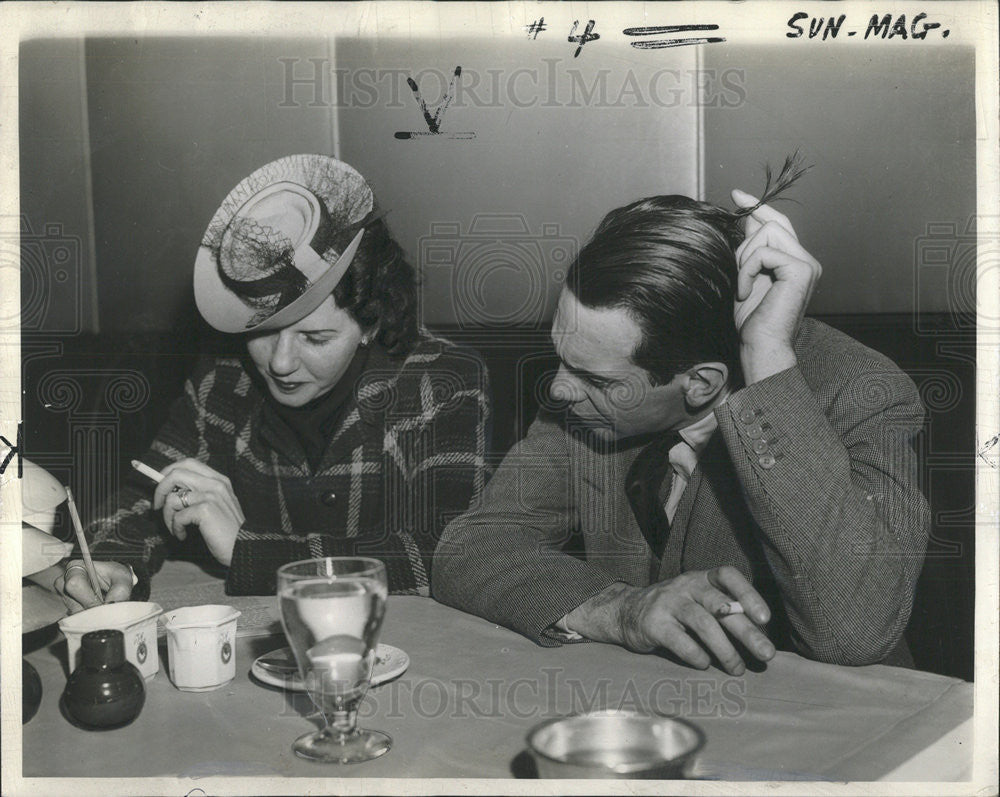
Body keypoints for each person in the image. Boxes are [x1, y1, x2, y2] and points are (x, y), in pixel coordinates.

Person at [432, 160, 929, 672]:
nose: (558, 388)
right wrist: (622, 609)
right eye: (563, 356)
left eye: (597, 380)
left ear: (701, 384)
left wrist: (767, 362)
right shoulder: (586, 385)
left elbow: (853, 633)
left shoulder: (862, 392)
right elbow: (471, 549)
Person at [52, 154, 490, 612]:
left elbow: (451, 552)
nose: (280, 363)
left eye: (314, 338)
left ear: (372, 324)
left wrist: (250, 552)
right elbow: (145, 495)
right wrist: (110, 561)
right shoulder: (221, 378)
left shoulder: (442, 381)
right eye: (261, 333)